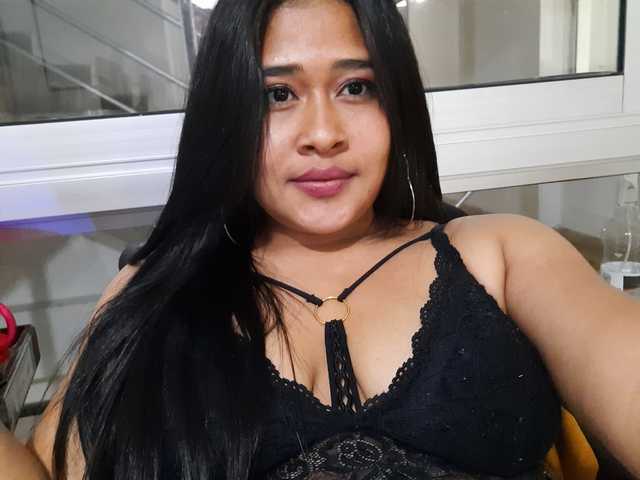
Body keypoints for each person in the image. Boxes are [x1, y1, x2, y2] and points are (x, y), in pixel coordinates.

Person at [2, 0, 639, 478]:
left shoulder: (502, 254)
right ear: (229, 116)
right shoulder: (151, 291)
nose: (323, 134)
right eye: (278, 94)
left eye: (355, 87)